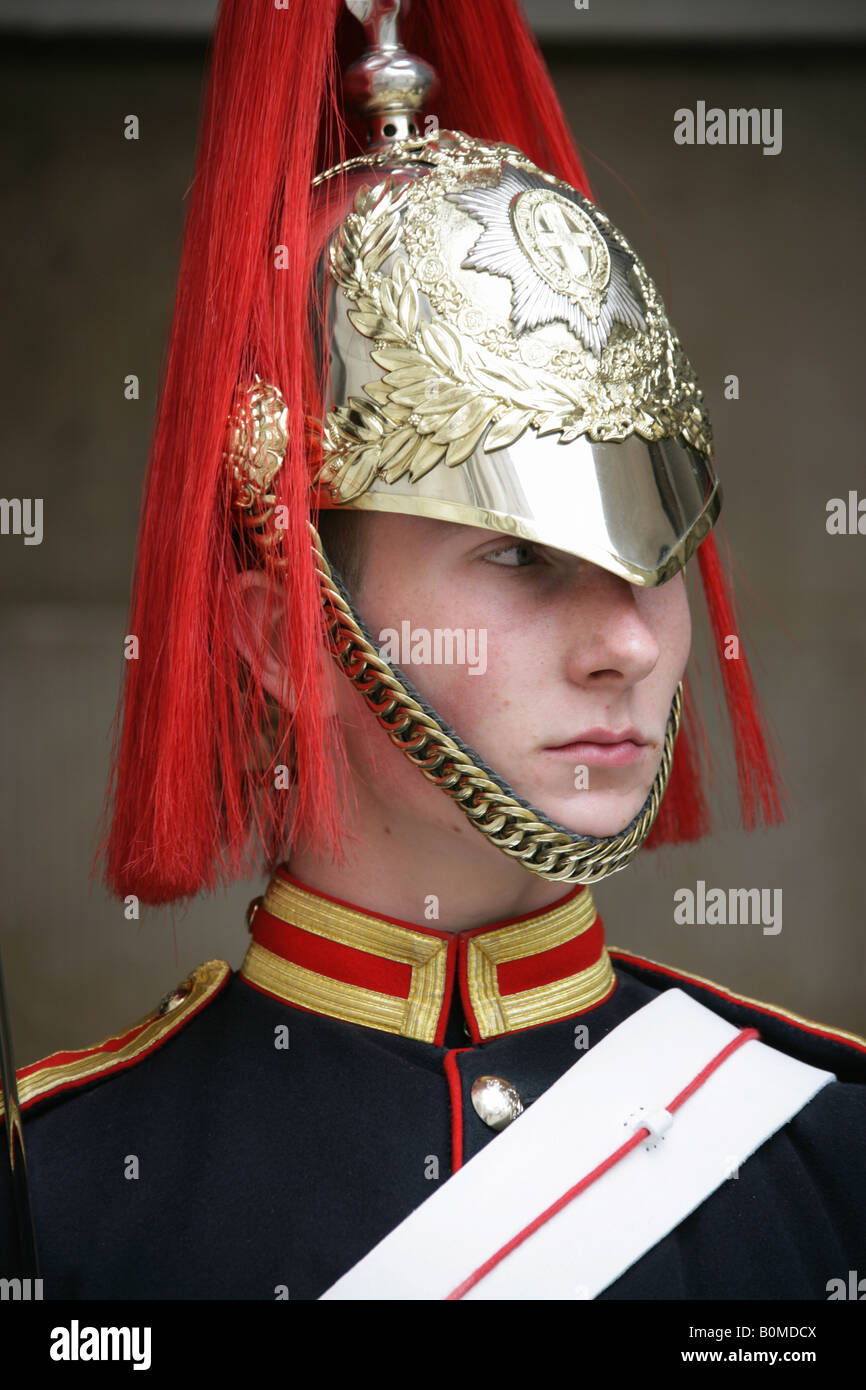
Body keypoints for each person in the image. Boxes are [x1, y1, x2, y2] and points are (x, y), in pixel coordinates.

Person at [1, 0, 864, 1301]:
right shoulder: (64, 1197)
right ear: (285, 639)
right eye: (520, 556)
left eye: (653, 559)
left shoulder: (829, 1144)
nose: (628, 642)